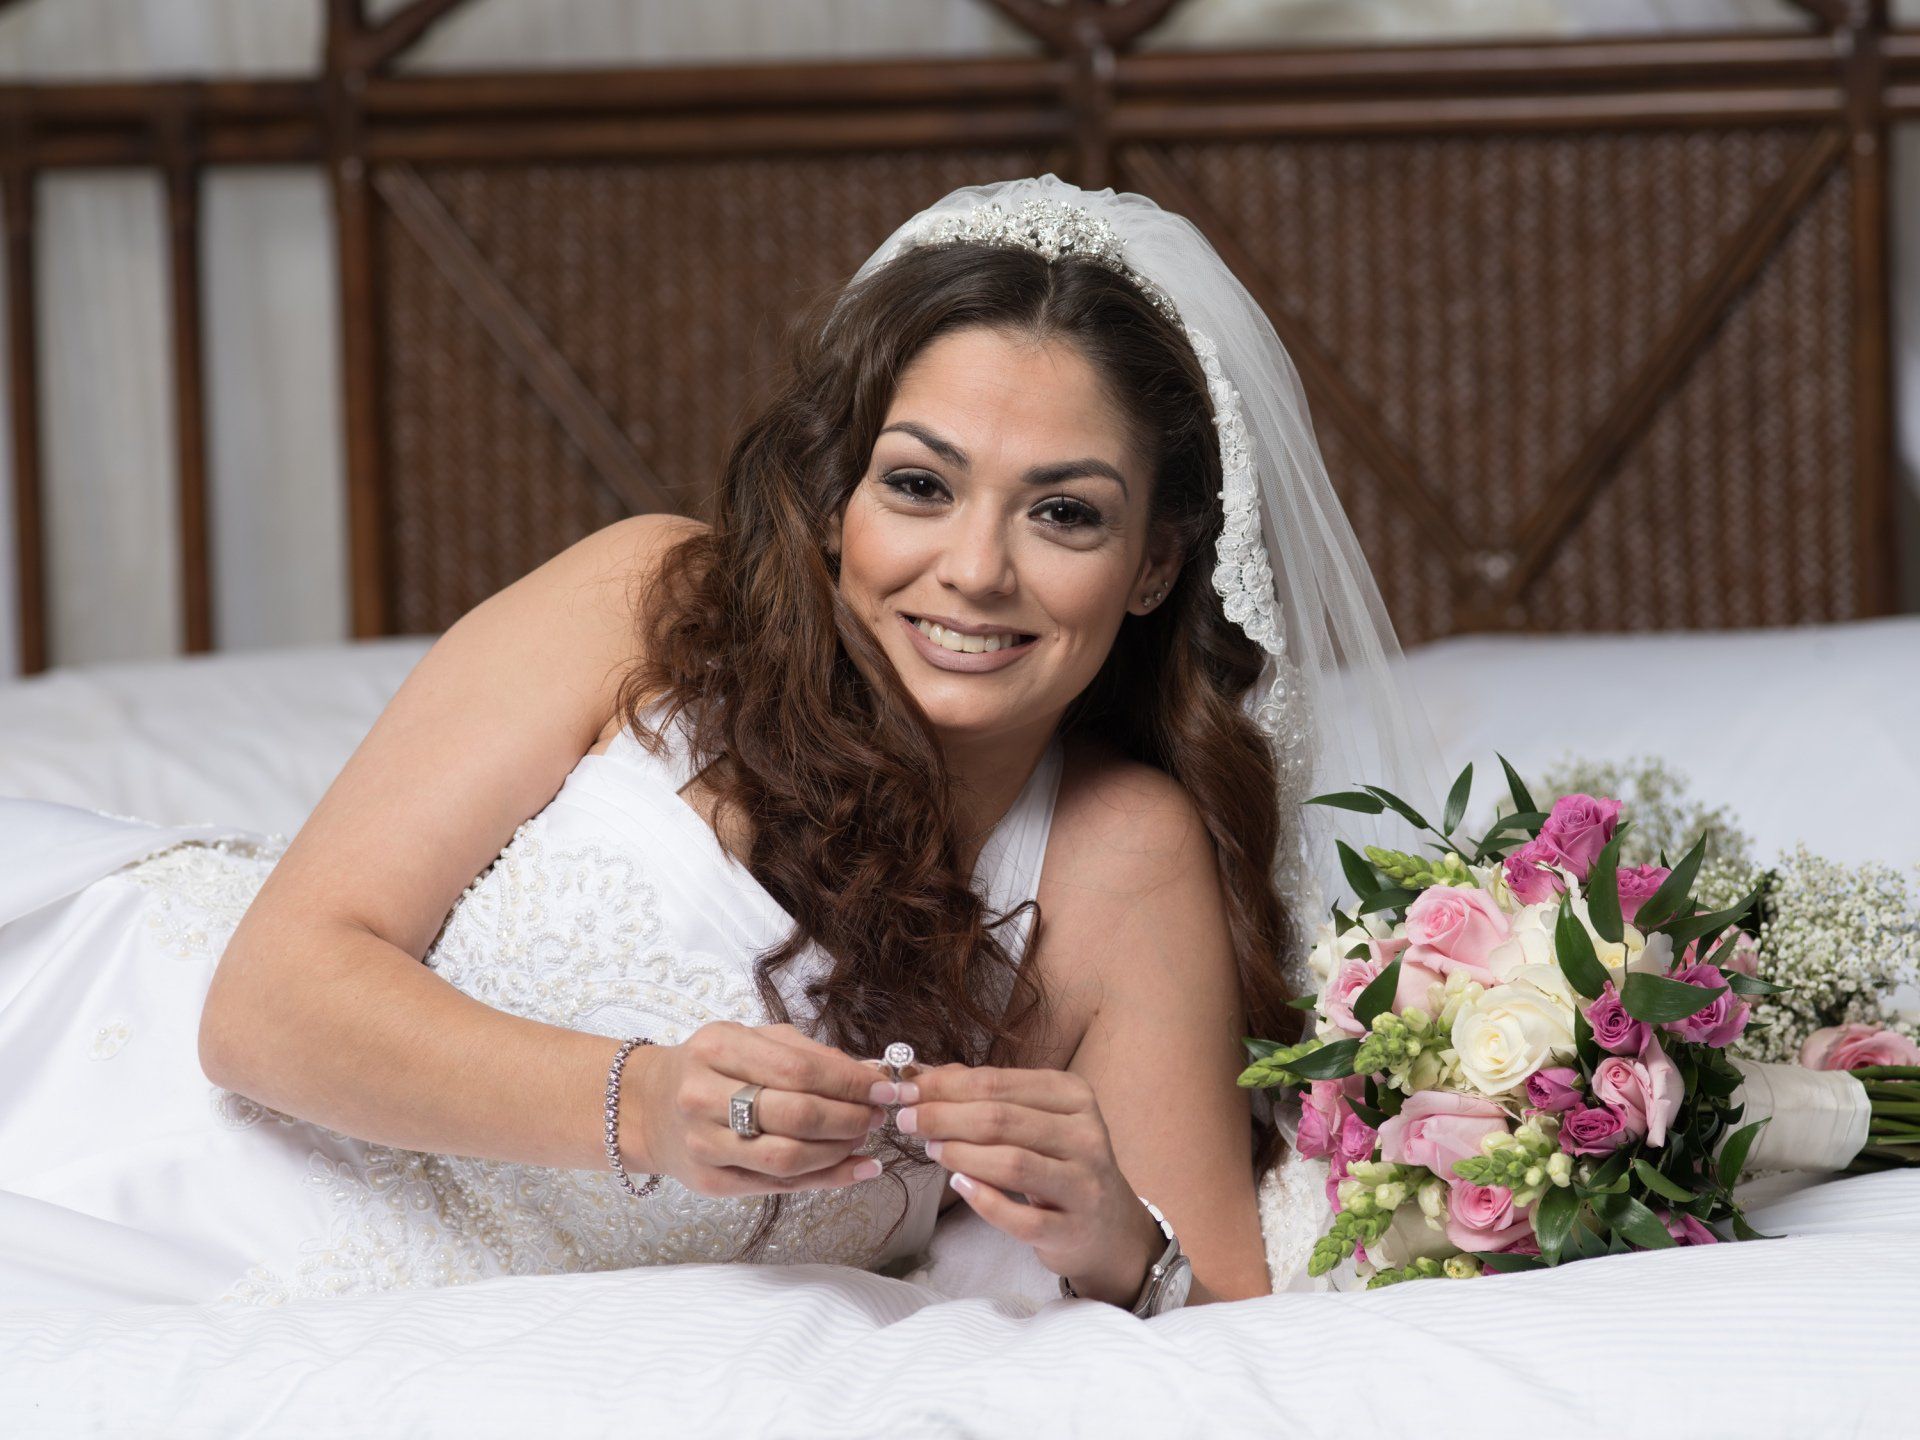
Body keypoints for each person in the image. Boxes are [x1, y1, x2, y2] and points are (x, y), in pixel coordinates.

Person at [0, 175, 1439, 1314]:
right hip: (119, 1092)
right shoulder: (650, 604)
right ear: (834, 498)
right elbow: (264, 1009)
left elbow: (1227, 1317)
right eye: (920, 485)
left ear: (1153, 566)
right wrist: (638, 1106)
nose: (975, 570)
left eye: (1063, 512)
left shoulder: (1119, 859)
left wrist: (1122, 1238)